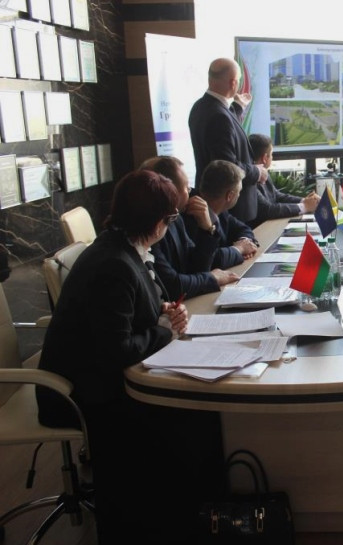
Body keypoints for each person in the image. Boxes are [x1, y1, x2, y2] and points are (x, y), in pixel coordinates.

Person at [35, 170, 224, 544]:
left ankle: (195, 513)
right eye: (171, 218)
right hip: (80, 392)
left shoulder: (120, 247)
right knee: (195, 417)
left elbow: (127, 310)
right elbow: (117, 350)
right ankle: (176, 523)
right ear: (157, 223)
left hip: (91, 373)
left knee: (199, 415)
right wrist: (164, 329)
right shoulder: (114, 265)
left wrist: (161, 311)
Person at [143, 156, 240, 301]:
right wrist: (212, 278)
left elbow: (195, 267)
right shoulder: (149, 228)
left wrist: (207, 230)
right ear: (170, 191)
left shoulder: (177, 218)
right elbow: (172, 285)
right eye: (186, 186)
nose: (190, 191)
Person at [189, 57, 268, 224]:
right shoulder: (219, 116)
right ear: (233, 83)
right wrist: (257, 171)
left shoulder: (200, 107)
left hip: (218, 202)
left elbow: (226, 133)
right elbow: (227, 166)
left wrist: (238, 108)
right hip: (230, 209)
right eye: (238, 80)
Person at [185, 159, 259, 269]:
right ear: (230, 196)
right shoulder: (191, 213)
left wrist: (244, 242)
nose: (239, 195)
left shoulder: (220, 210)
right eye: (239, 191)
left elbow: (243, 228)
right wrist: (239, 249)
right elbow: (210, 259)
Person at [246, 133, 320, 228]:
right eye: (271, 154)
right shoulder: (249, 180)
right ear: (264, 158)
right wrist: (305, 206)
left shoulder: (263, 173)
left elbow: (277, 196)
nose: (272, 157)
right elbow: (267, 210)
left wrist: (304, 201)